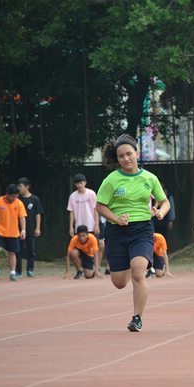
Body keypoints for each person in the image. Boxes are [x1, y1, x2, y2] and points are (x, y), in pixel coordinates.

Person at [96, 133, 170, 332]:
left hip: (142, 230)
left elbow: (164, 202)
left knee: (139, 273)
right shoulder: (111, 180)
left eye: (129, 154)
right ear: (117, 159)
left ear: (137, 154)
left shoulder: (149, 178)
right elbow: (100, 206)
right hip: (117, 231)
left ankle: (137, 318)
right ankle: (128, 263)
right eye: (121, 156)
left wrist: (160, 212)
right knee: (119, 282)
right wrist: (116, 218)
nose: (126, 159)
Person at [0, 184, 26, 281]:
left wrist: (23, 230)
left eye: (16, 197)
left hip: (13, 231)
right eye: (13, 197)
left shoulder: (19, 203)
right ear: (8, 194)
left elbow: (22, 217)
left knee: (11, 252)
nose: (14, 199)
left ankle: (13, 273)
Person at [15, 177, 44, 277]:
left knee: (31, 250)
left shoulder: (34, 199)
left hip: (30, 229)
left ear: (27, 187)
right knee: (18, 250)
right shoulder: (17, 199)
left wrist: (38, 227)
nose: (19, 189)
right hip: (18, 229)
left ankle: (30, 269)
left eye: (20, 186)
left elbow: (38, 214)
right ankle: (18, 270)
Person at [68, 173, 100, 238]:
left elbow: (96, 209)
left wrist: (97, 224)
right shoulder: (72, 196)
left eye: (81, 183)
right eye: (77, 183)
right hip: (79, 228)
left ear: (85, 182)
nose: (79, 185)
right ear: (75, 184)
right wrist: (71, 227)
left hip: (91, 226)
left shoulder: (91, 194)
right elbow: (72, 212)